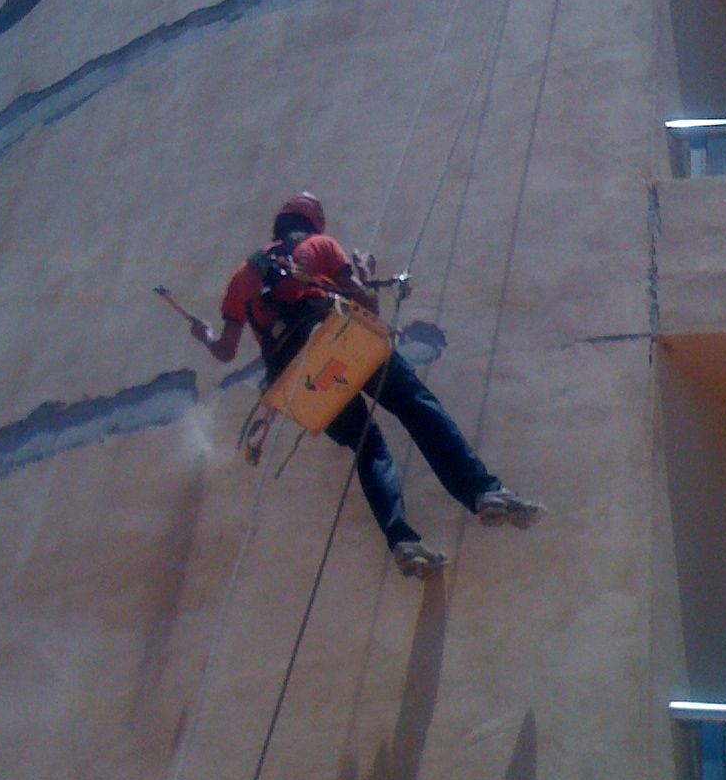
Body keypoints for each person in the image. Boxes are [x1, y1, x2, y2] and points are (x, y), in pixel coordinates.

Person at [191, 192, 541, 578]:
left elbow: (224, 351)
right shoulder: (319, 246)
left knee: (367, 445)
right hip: (338, 340)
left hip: (299, 377)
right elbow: (367, 305)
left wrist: (204, 333)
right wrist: (361, 267)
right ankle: (482, 491)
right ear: (312, 222)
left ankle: (401, 539)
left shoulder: (243, 277)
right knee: (415, 405)